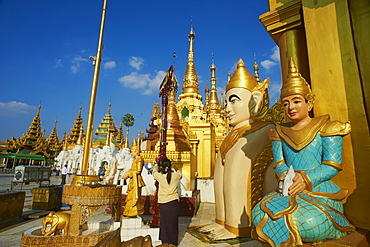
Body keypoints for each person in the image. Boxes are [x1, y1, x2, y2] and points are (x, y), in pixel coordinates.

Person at [251, 58, 355, 246]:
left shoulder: (327, 128)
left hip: (319, 189)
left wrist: (306, 179)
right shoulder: (279, 131)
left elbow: (331, 165)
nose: (290, 107)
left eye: (297, 101)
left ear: (309, 103)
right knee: (259, 213)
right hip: (288, 188)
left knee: (309, 223)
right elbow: (280, 162)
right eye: (285, 103)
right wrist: (284, 176)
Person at [199, 58, 275, 240]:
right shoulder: (234, 134)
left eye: (234, 101)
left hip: (265, 200)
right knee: (221, 168)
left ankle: (237, 225)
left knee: (235, 161)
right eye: (227, 103)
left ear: (255, 101)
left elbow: (236, 175)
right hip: (236, 135)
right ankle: (221, 220)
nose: (227, 109)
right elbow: (221, 177)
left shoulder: (264, 128)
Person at [153, 158, 182, 246]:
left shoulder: (160, 176)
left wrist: (156, 164)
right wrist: (175, 166)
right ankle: (173, 243)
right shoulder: (176, 176)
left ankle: (165, 242)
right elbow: (180, 173)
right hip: (173, 202)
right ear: (170, 166)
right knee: (173, 223)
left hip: (164, 202)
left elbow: (154, 172)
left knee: (164, 223)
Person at [122, 145, 146, 217]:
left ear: (136, 152)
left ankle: (134, 210)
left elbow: (138, 171)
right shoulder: (135, 159)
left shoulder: (139, 159)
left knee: (135, 197)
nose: (131, 154)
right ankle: (130, 211)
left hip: (136, 181)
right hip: (133, 180)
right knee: (130, 196)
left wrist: (129, 174)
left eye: (132, 152)